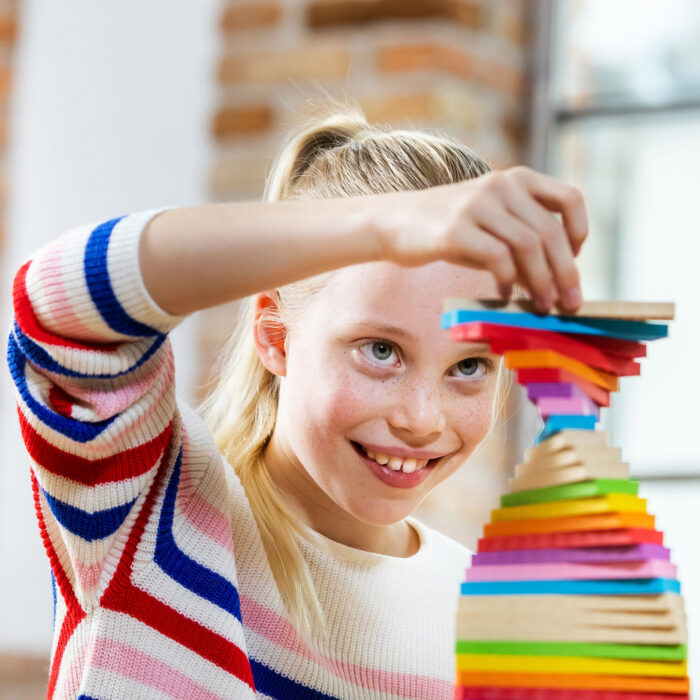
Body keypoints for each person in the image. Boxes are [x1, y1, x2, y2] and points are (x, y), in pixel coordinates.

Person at [8, 101, 587, 699]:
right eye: (380, 350)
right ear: (275, 337)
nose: (421, 418)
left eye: (469, 365)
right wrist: (380, 225)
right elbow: (57, 303)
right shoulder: (154, 517)